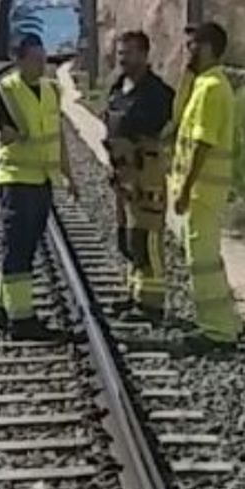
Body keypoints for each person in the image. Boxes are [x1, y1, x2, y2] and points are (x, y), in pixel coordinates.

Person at [0, 33, 78, 341]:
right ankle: (22, 320)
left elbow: (56, 134)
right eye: (34, 59)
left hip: (43, 180)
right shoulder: (5, 91)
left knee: (24, 247)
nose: (41, 64)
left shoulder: (51, 90)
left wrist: (69, 174)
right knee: (18, 248)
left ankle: (4, 307)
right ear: (19, 61)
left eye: (43, 58)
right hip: (17, 180)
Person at [168, 21, 244, 350]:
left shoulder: (212, 88)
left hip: (202, 190)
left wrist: (185, 189)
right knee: (206, 258)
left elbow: (202, 144)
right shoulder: (204, 83)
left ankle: (217, 331)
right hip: (202, 189)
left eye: (192, 45)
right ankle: (225, 323)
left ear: (209, 47)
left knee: (203, 261)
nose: (188, 51)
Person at [103, 30, 175, 322]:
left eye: (129, 52)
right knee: (128, 237)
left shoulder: (158, 94)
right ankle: (135, 294)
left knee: (146, 235)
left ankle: (152, 303)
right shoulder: (118, 87)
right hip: (122, 175)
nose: (123, 58)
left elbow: (168, 133)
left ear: (145, 55)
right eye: (120, 53)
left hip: (146, 175)